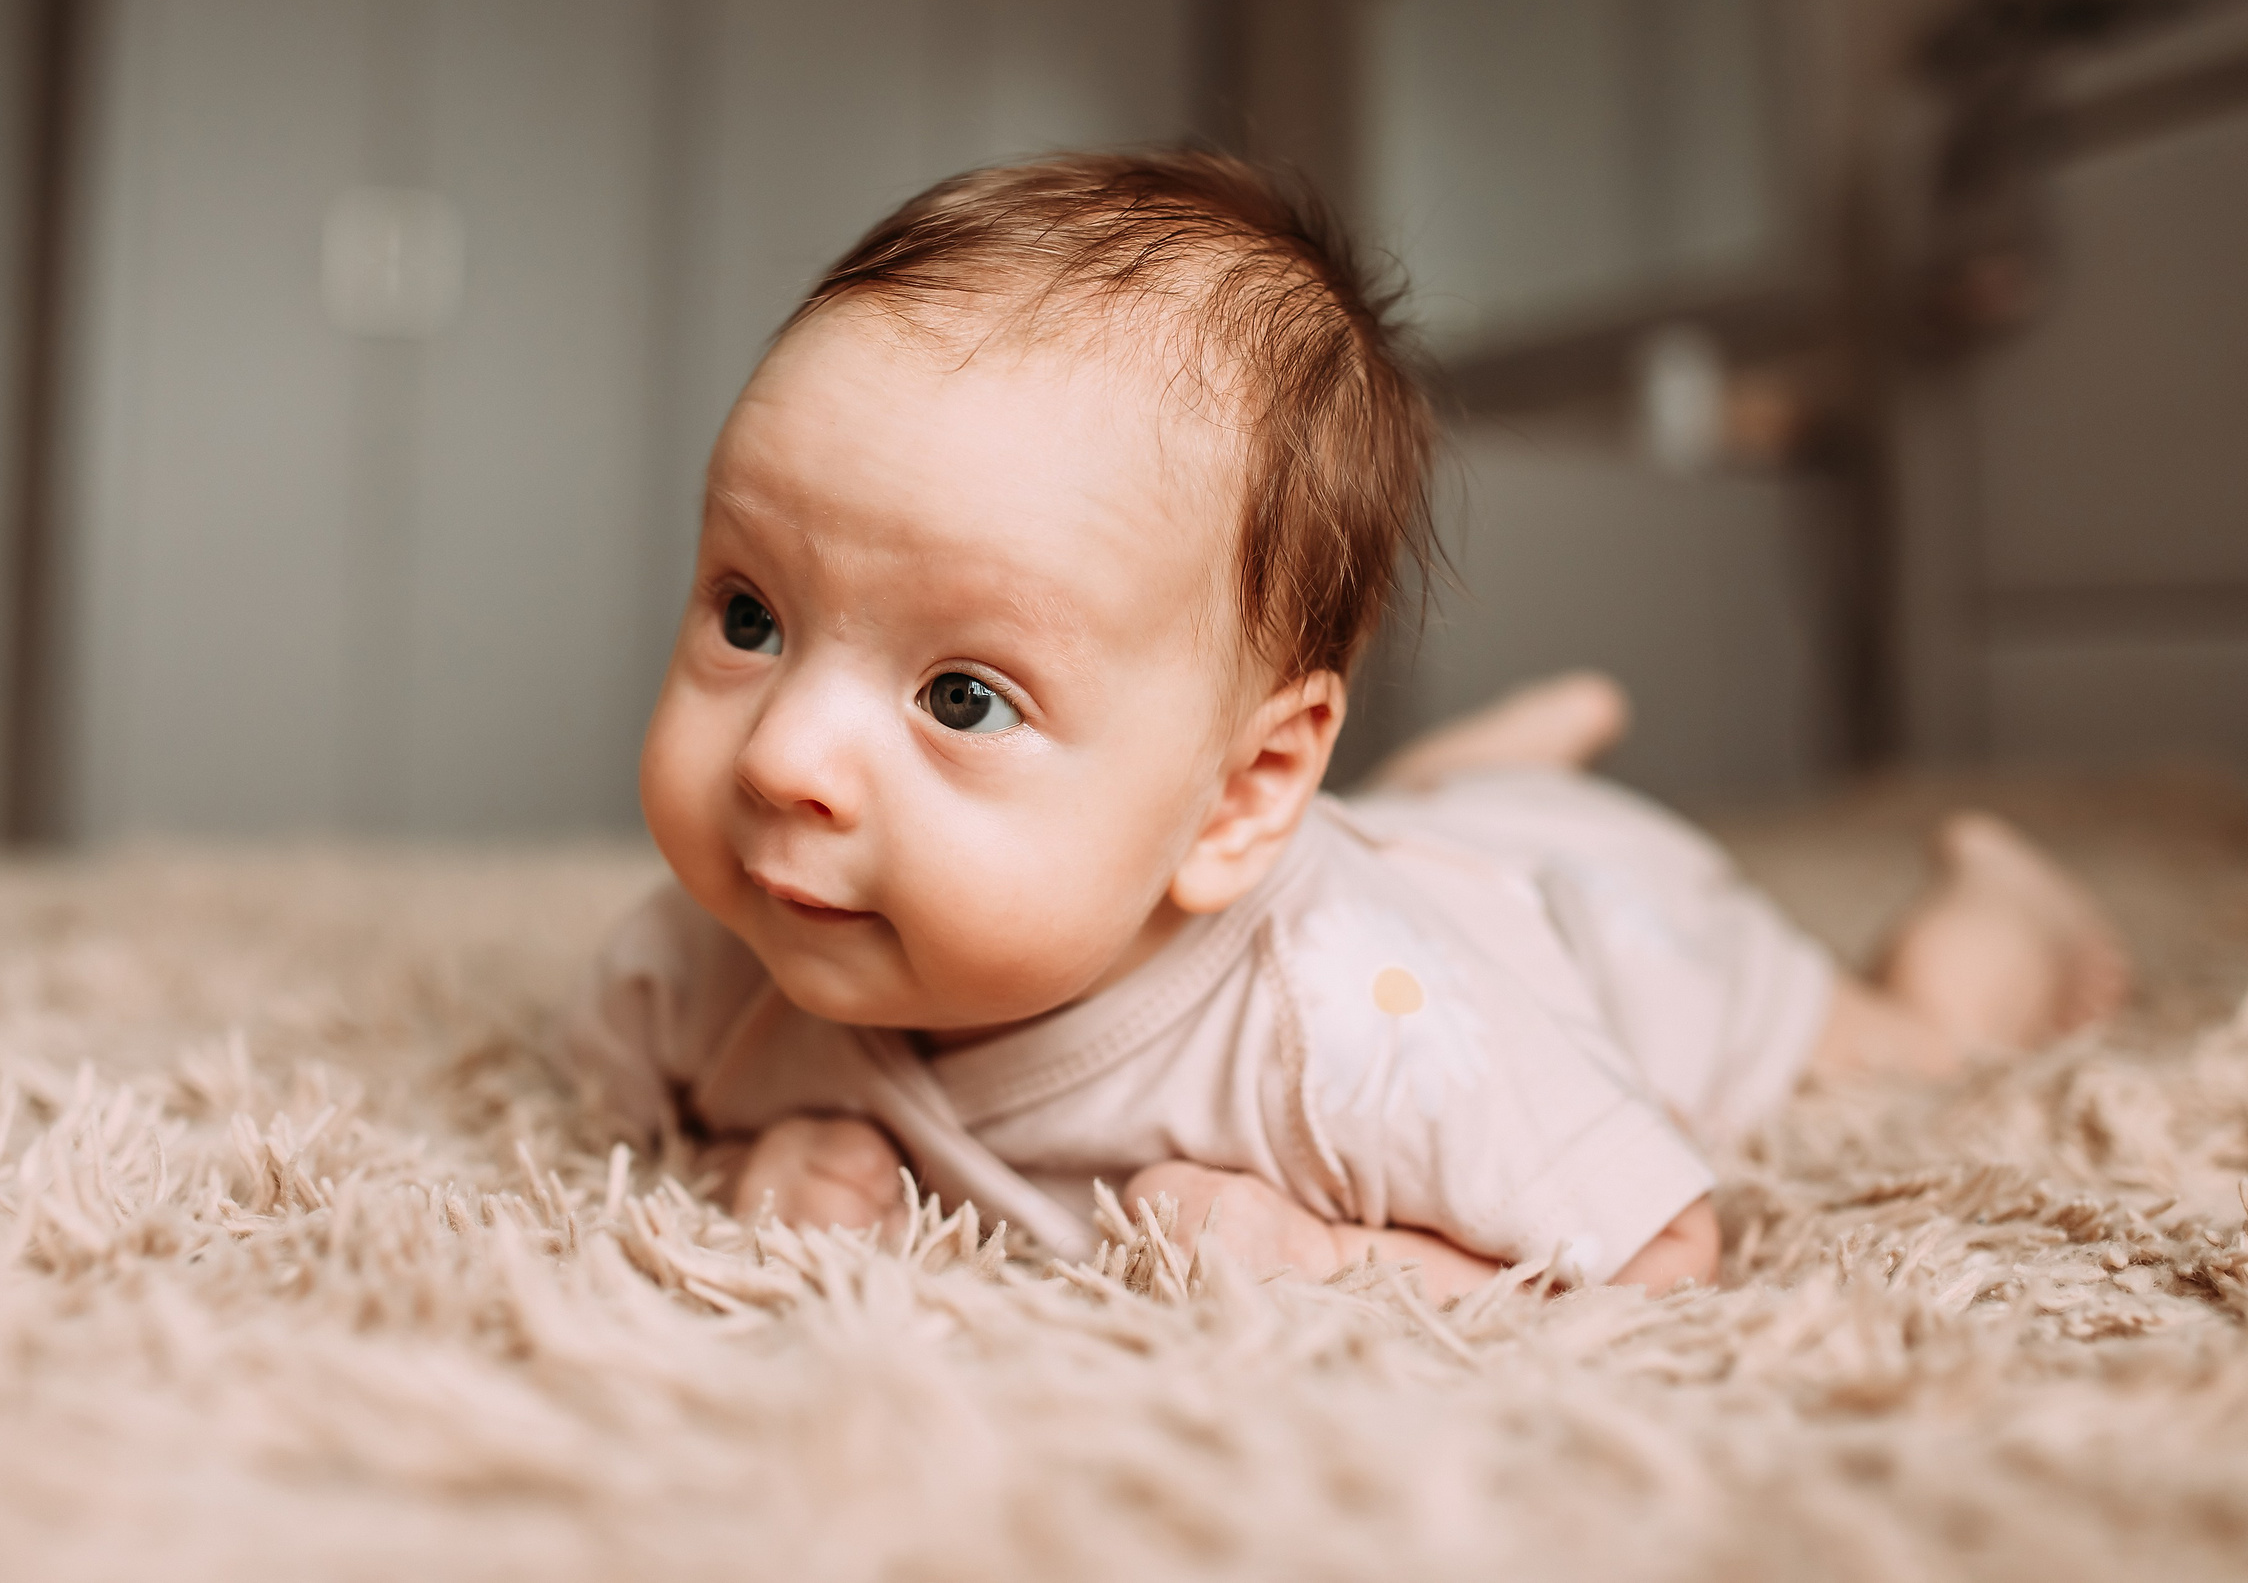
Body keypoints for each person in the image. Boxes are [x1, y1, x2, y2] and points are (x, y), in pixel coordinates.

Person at [553, 151, 2126, 1300]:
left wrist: (1332, 1257)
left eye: (963, 698)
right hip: (1409, 837)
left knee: (1906, 1047)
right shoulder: (718, 958)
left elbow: (1661, 1244)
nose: (778, 760)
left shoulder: (1357, 1034)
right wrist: (755, 1166)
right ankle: (1479, 772)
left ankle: (2001, 898)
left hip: (1594, 923)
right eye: (751, 617)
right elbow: (618, 1119)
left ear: (1244, 795)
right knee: (1443, 810)